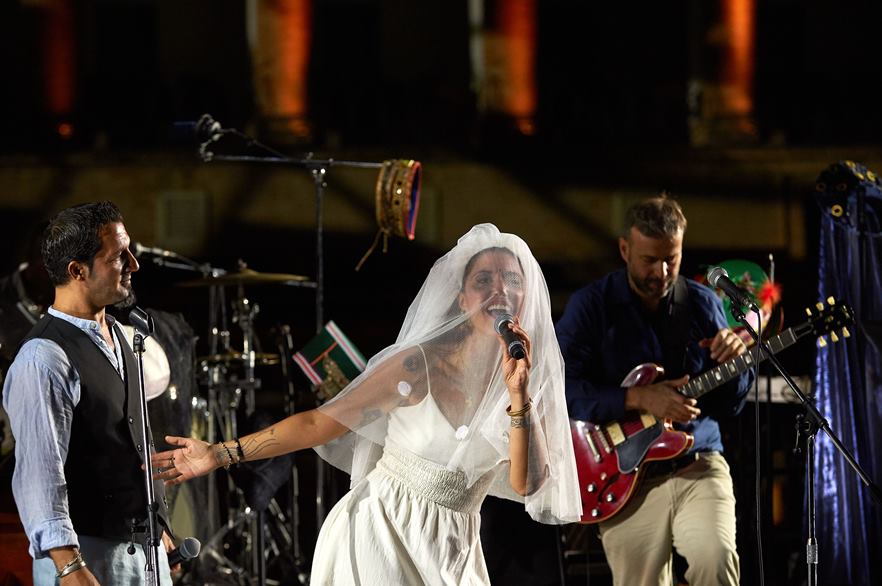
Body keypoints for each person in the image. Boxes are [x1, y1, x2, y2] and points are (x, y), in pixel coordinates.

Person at [153, 223, 582, 585]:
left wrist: (519, 395)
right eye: (483, 280)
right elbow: (319, 423)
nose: (499, 290)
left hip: (455, 551)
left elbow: (528, 483)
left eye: (512, 279)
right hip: (380, 534)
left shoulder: (521, 382)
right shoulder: (418, 366)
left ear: (527, 297)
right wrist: (219, 453)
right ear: (463, 298)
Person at [555, 195, 752, 586]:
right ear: (625, 248)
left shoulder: (701, 303)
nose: (662, 272)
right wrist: (639, 397)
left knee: (716, 561)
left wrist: (737, 364)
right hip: (624, 476)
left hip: (697, 462)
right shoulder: (591, 307)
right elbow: (560, 390)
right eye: (650, 259)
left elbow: (731, 405)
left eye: (672, 259)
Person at [2, 201, 176, 585]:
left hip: (141, 554)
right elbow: (39, 476)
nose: (134, 264)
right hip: (85, 558)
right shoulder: (43, 358)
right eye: (119, 256)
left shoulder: (124, 338)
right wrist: (68, 566)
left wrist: (157, 530)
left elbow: (129, 442)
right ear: (77, 270)